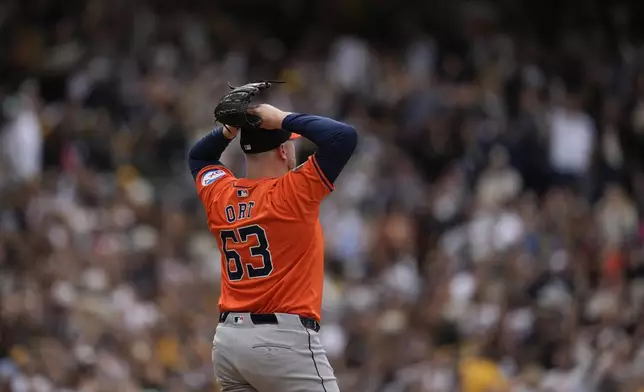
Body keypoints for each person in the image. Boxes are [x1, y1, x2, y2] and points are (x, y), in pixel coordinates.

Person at [188, 103, 358, 392]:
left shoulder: (221, 194)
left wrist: (228, 131)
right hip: (282, 342)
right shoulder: (293, 192)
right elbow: (343, 136)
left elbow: (199, 156)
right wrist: (282, 118)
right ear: (283, 151)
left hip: (230, 343)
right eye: (290, 144)